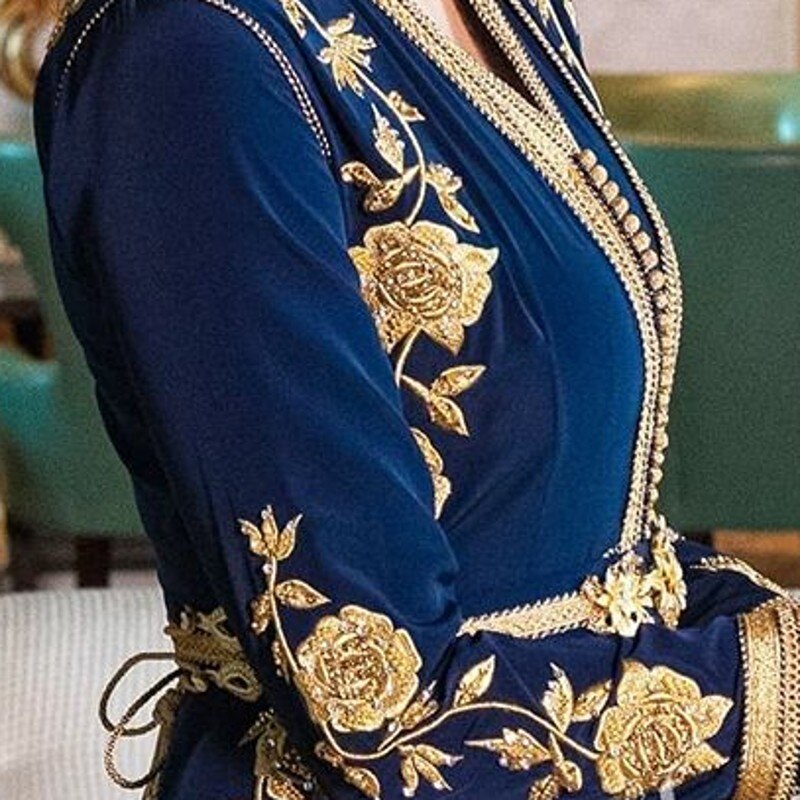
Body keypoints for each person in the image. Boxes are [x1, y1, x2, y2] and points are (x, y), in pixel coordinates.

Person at [33, 0, 800, 797]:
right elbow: (376, 716)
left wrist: (766, 646)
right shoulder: (192, 56)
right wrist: (771, 696)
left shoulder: (510, 15)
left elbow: (584, 550)